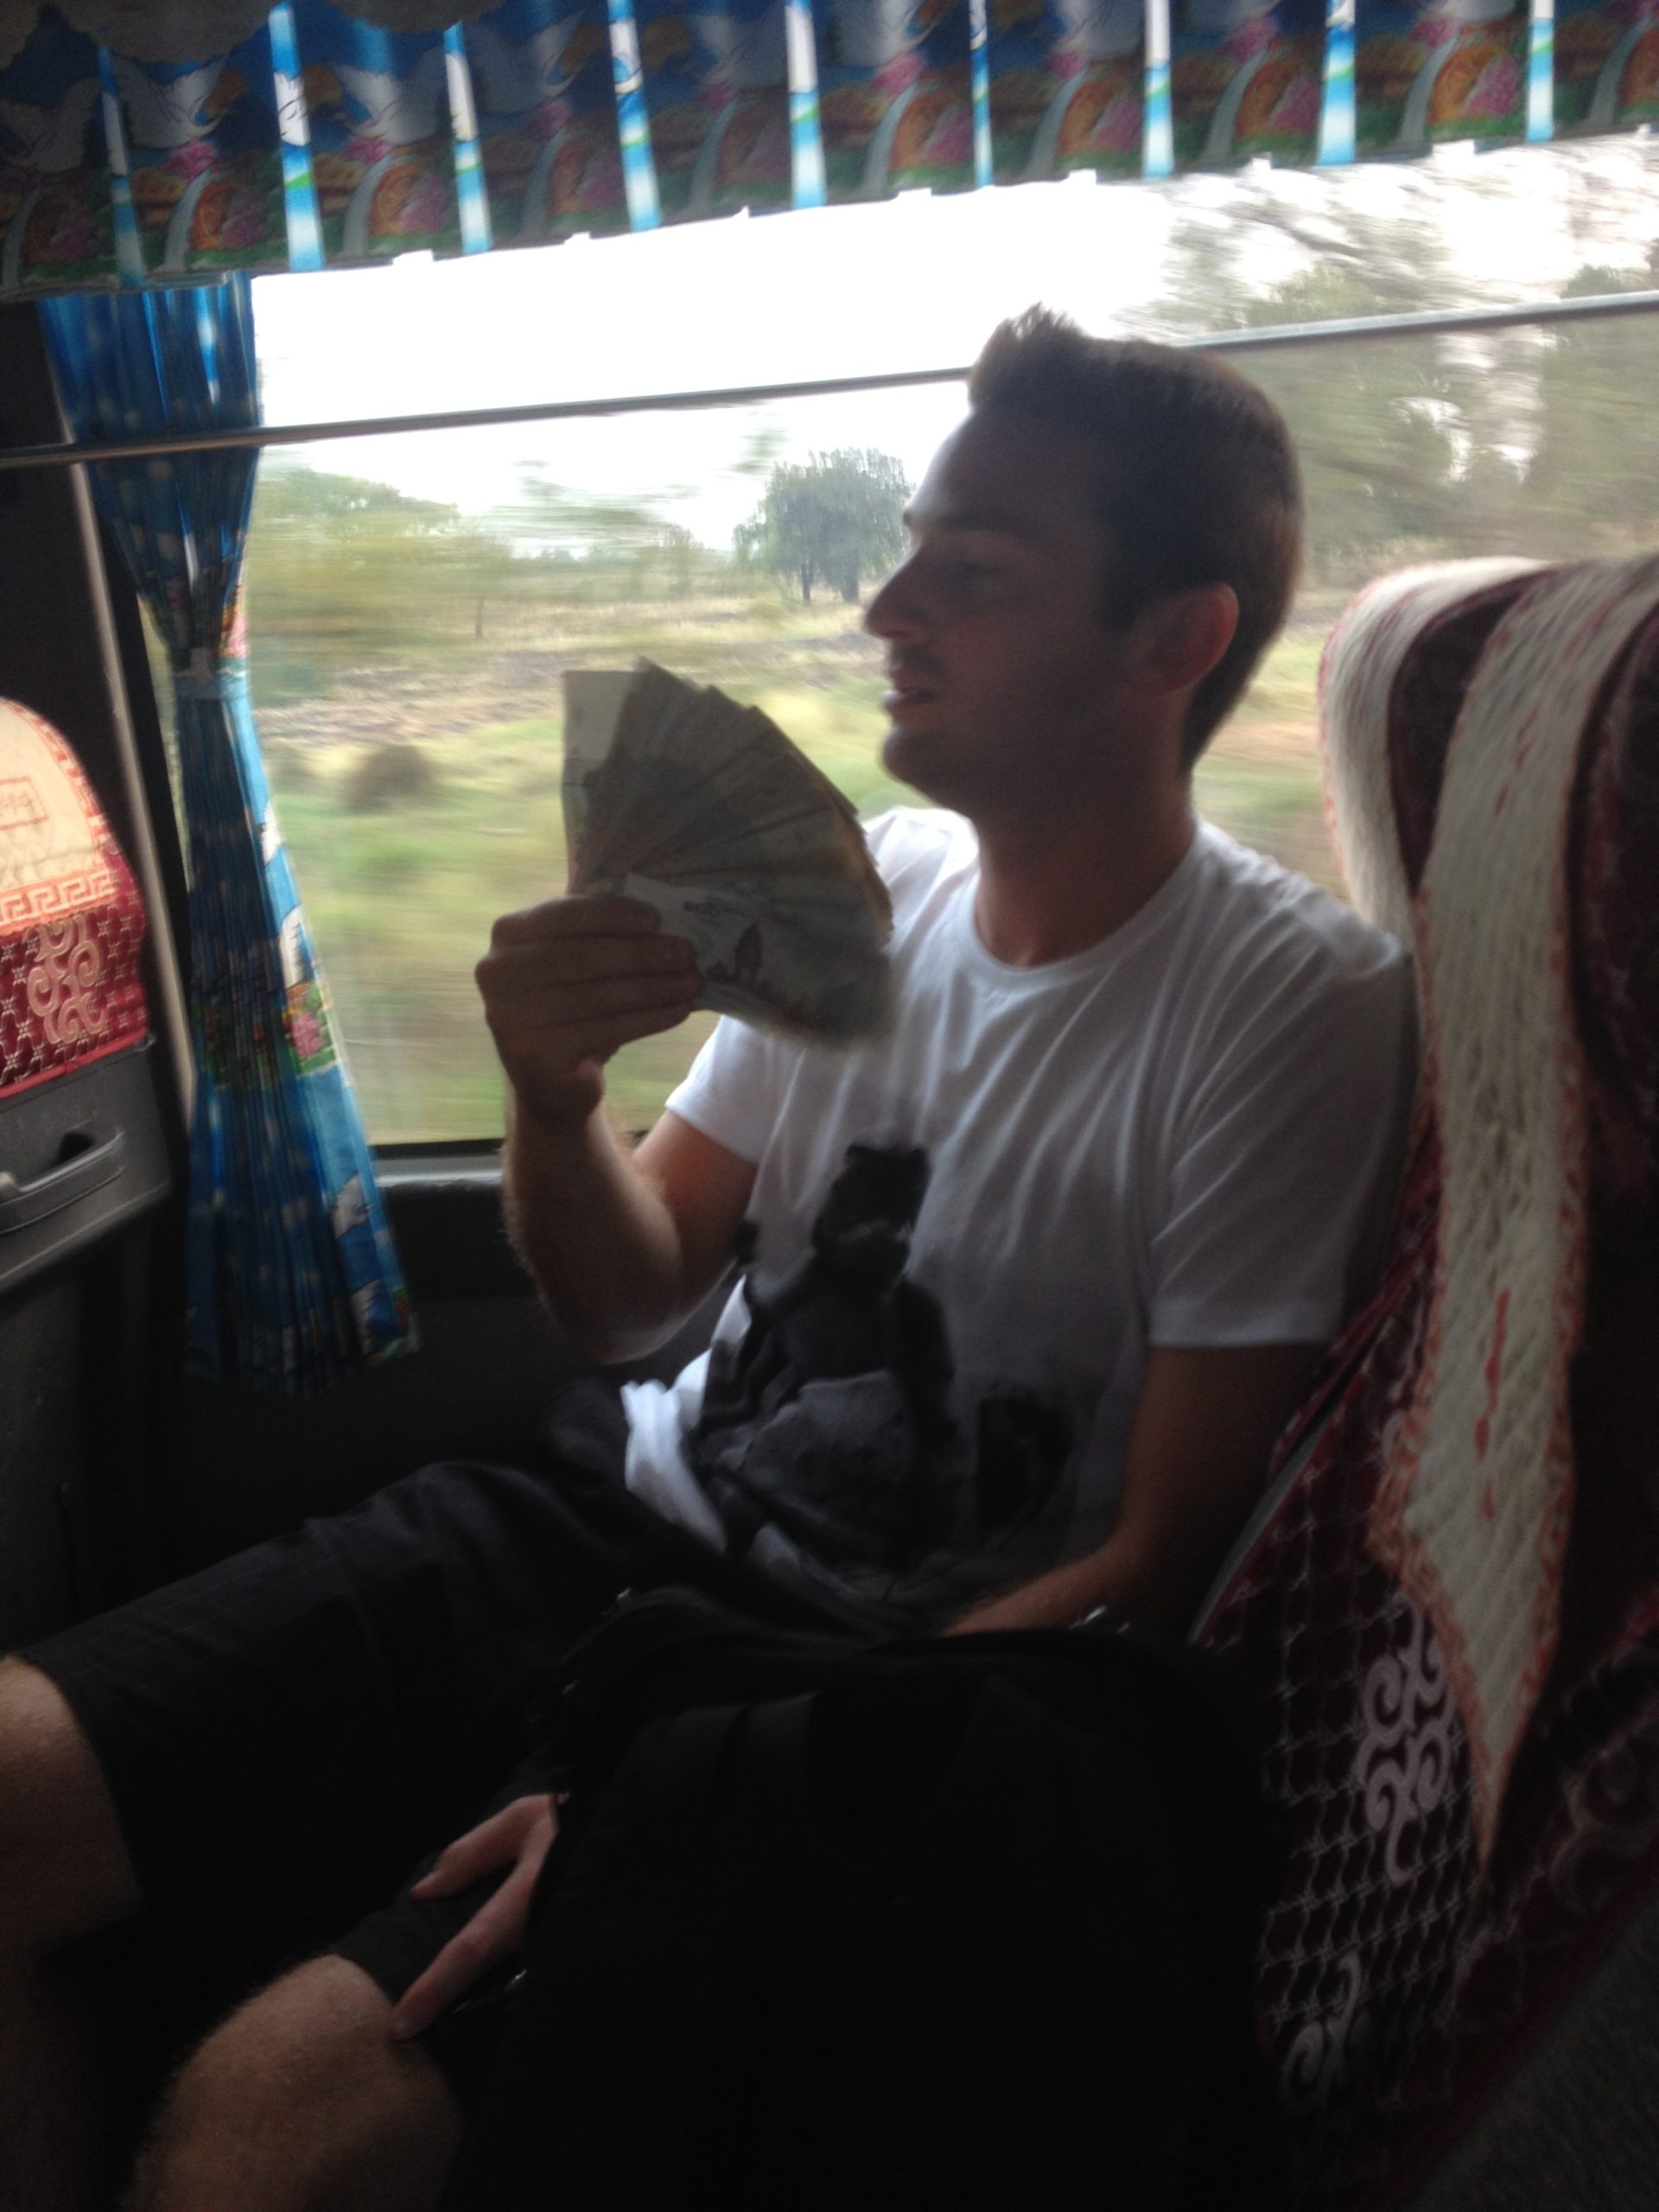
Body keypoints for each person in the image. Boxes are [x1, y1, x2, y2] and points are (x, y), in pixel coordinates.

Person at [0, 308, 1414, 2212]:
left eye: (974, 572)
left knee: (263, 2143)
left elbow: (1151, 1566)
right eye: (910, 553)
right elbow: (633, 1298)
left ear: (1174, 642)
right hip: (591, 1529)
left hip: (854, 1684)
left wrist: (651, 1771)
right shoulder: (877, 889)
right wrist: (552, 1095)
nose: (887, 609)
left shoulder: (1284, 1005)